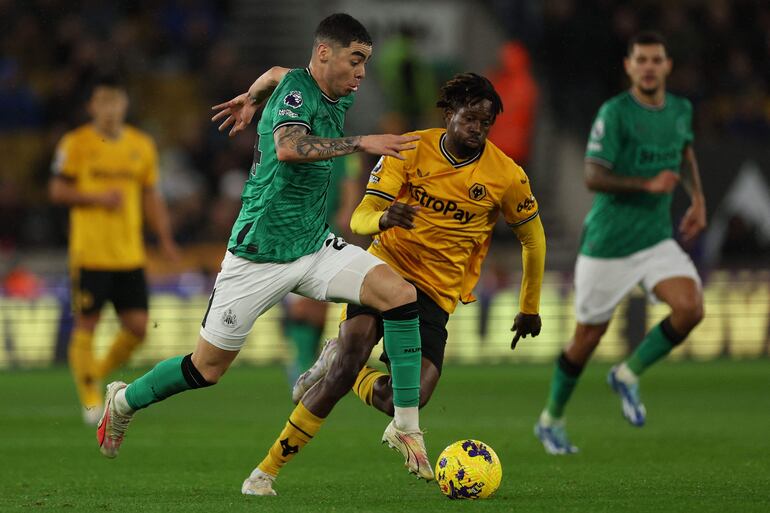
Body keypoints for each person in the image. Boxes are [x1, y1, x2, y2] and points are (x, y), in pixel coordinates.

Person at [95, 13, 431, 490]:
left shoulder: (324, 88)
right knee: (205, 369)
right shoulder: (298, 95)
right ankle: (124, 401)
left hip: (313, 246)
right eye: (355, 60)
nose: (361, 74)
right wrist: (362, 142)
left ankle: (405, 425)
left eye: (365, 62)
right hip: (258, 255)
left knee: (398, 294)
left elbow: (274, 73)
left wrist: (251, 98)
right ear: (323, 54)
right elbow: (290, 147)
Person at [245, 71, 546, 496]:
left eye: (485, 123)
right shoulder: (409, 148)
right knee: (349, 360)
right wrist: (383, 219)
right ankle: (265, 472)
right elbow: (361, 217)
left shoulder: (506, 175)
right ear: (449, 113)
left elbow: (533, 238)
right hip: (385, 270)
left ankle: (344, 369)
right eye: (471, 118)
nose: (477, 129)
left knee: (409, 397)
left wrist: (529, 305)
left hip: (437, 293)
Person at [534, 32, 706, 455]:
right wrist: (647, 184)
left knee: (691, 307)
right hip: (608, 245)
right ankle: (550, 419)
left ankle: (628, 374)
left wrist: (698, 198)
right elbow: (592, 175)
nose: (648, 67)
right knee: (586, 339)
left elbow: (684, 153)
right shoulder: (615, 113)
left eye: (656, 60)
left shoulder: (681, 109)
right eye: (640, 60)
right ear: (629, 67)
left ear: (667, 66)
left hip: (655, 240)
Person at [49, 75, 179, 425]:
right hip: (90, 252)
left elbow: (152, 195)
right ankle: (90, 395)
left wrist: (165, 238)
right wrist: (96, 197)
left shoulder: (141, 145)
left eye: (115, 101)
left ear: (124, 105)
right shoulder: (75, 143)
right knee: (87, 323)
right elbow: (57, 191)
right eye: (102, 102)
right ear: (92, 107)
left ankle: (94, 373)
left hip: (129, 253)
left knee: (137, 327)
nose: (110, 109)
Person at [282, 154, 362, 385]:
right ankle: (304, 364)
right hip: (296, 231)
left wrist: (346, 216)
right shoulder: (292, 142)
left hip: (325, 233)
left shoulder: (342, 151)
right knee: (305, 305)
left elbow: (350, 184)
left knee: (317, 306)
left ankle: (308, 361)